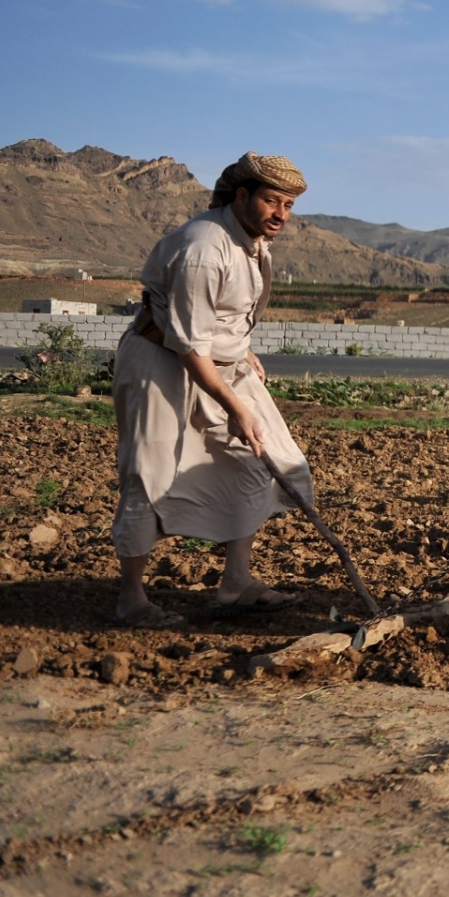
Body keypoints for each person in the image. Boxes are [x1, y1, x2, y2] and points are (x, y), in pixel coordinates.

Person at [110, 152, 316, 627]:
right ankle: (131, 599)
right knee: (150, 473)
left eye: (288, 204)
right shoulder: (205, 248)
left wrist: (240, 350)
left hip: (213, 360)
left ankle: (236, 584)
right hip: (161, 362)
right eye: (271, 200)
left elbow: (221, 317)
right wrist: (235, 406)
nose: (281, 213)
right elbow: (185, 340)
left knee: (265, 461)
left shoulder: (254, 243)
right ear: (242, 196)